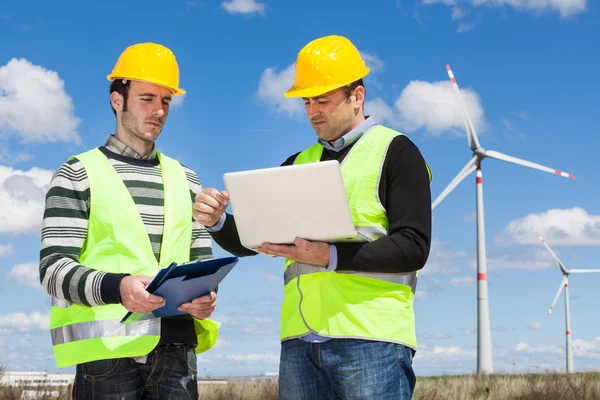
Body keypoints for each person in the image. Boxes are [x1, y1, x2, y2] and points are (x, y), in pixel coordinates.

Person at [193, 35, 432, 399]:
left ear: (357, 96)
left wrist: (329, 256)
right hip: (299, 344)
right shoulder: (296, 163)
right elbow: (256, 240)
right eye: (306, 101)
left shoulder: (396, 151)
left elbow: (414, 247)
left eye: (323, 100)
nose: (312, 111)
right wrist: (218, 222)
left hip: (371, 338)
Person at [39, 42, 219, 400]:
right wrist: (119, 287)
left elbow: (202, 265)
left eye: (166, 101)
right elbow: (53, 269)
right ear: (117, 100)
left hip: (177, 353)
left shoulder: (187, 179)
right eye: (146, 98)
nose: (158, 111)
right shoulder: (77, 173)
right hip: (108, 358)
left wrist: (207, 296)